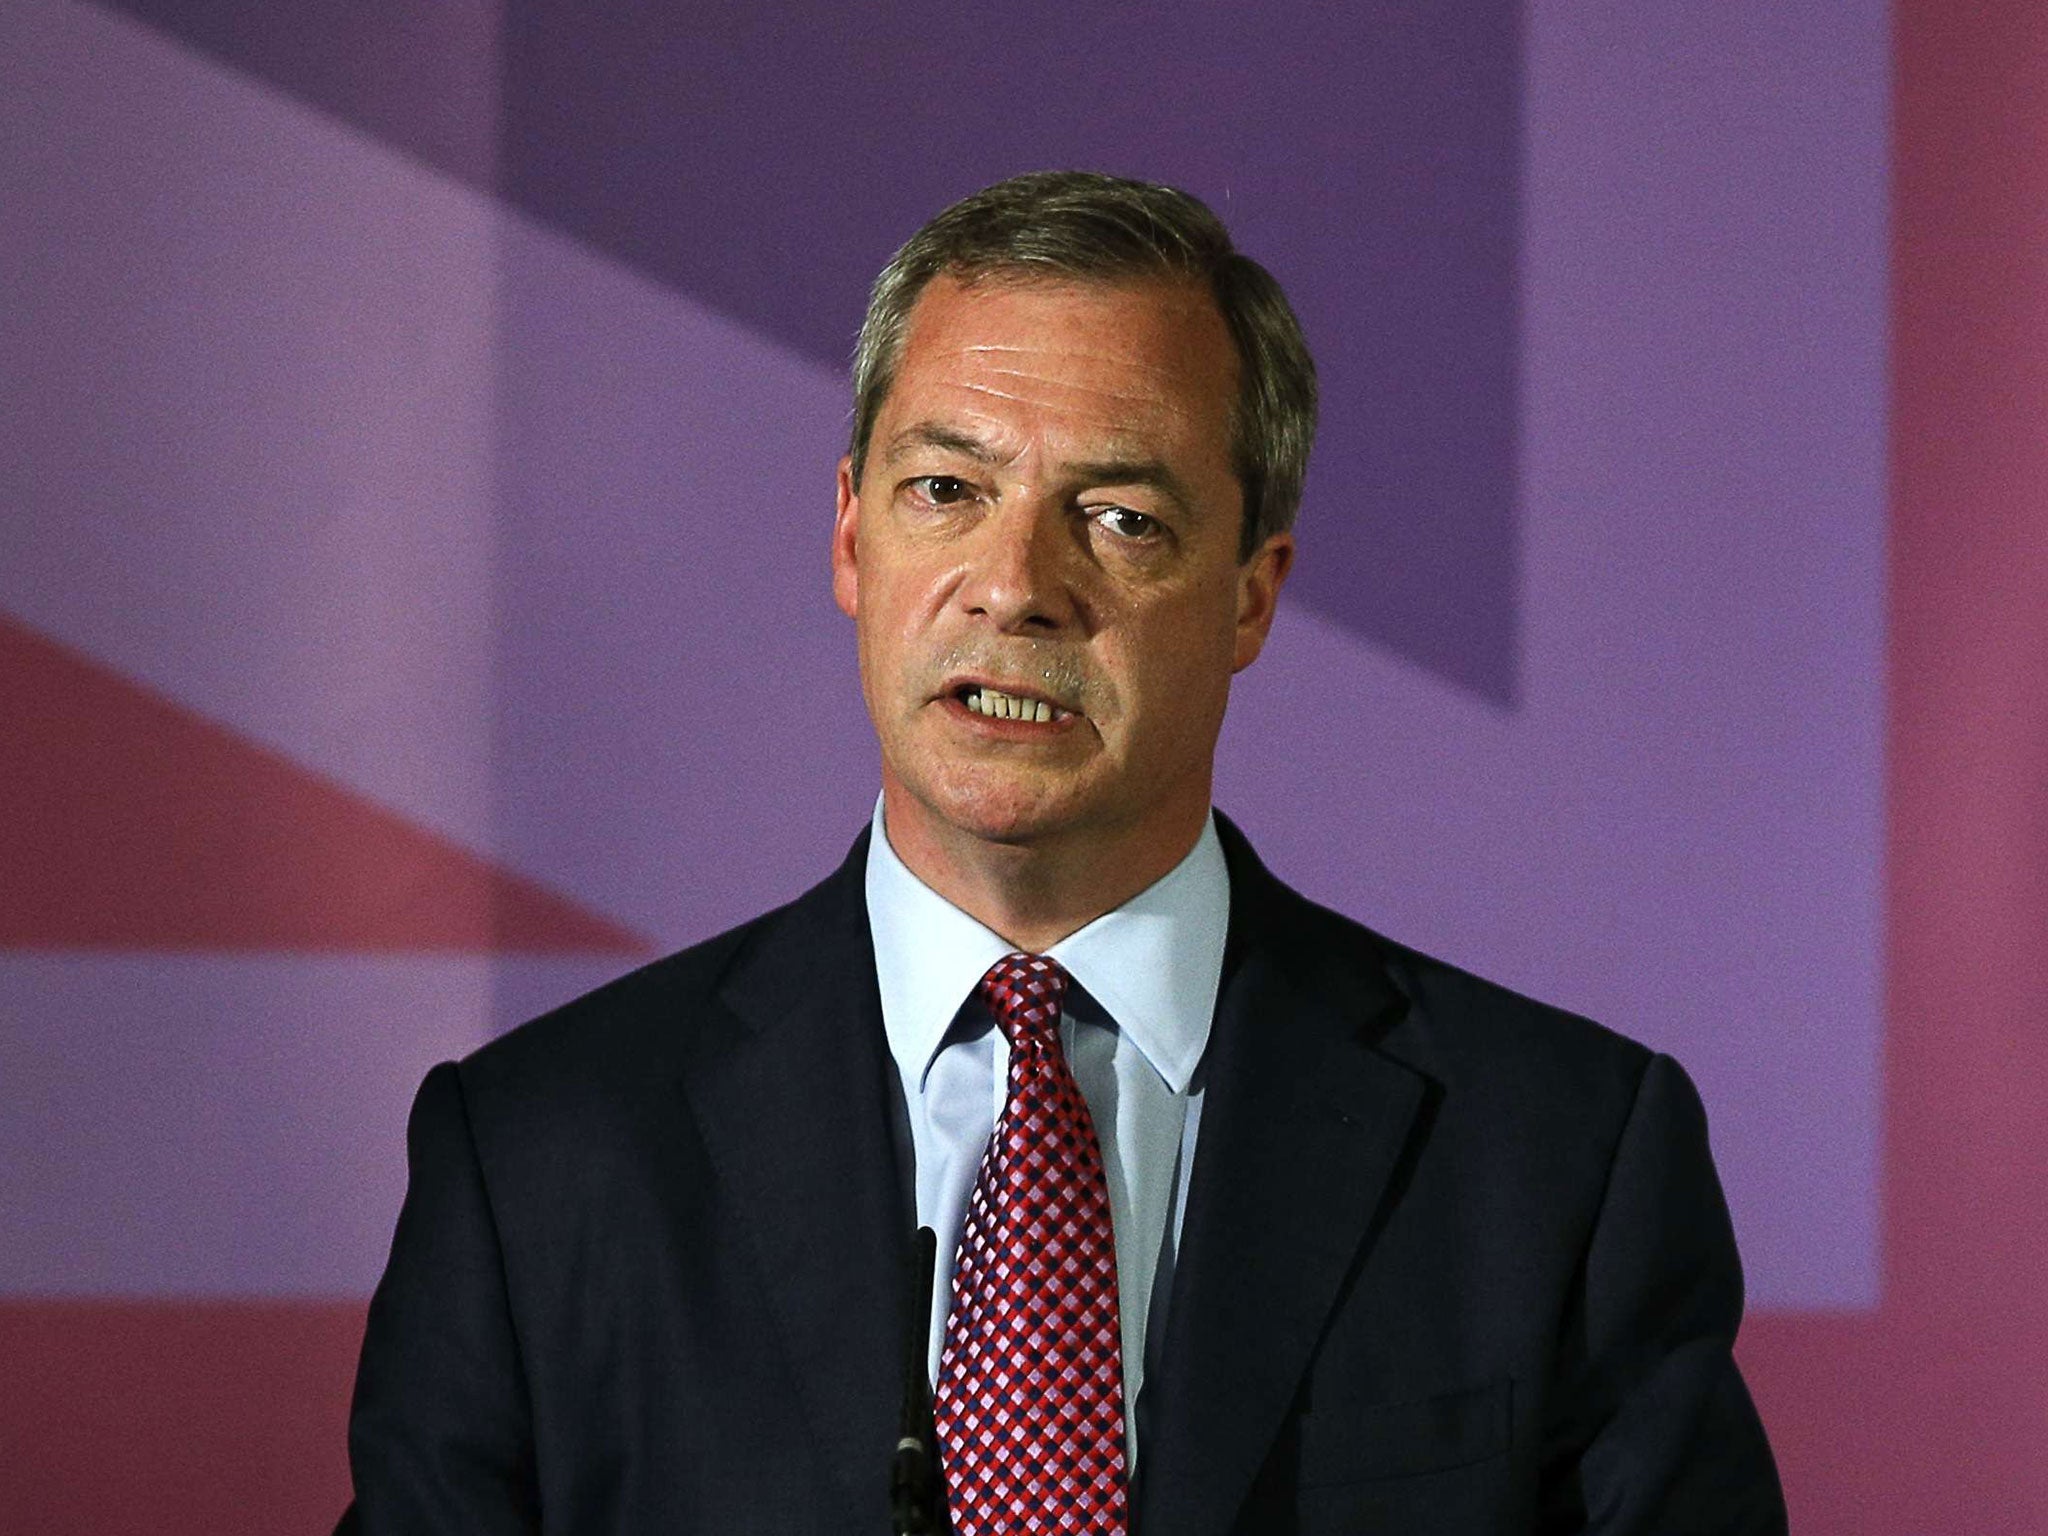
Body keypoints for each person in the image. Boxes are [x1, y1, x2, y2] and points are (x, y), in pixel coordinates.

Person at [339, 171, 1786, 1534]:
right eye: (947, 492)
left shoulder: (1559, 1164)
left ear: (1248, 598)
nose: (1018, 585)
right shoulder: (539, 1163)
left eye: (1121, 518)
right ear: (852, 537)